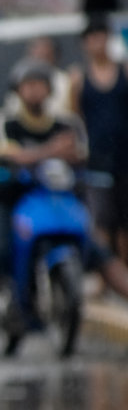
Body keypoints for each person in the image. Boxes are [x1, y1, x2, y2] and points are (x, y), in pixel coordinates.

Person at [0, 62, 128, 355]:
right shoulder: (5, 123)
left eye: (39, 84)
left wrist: (39, 156)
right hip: (12, 202)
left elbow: (79, 154)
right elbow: (7, 155)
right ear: (18, 90)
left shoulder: (66, 123)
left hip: (56, 201)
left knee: (101, 254)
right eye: (28, 85)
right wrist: (51, 152)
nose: (34, 90)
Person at [71, 16, 128, 259]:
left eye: (102, 38)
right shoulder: (78, 78)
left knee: (126, 220)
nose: (98, 43)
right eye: (92, 39)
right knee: (102, 219)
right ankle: (106, 271)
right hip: (97, 156)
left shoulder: (124, 70)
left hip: (124, 154)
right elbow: (76, 118)